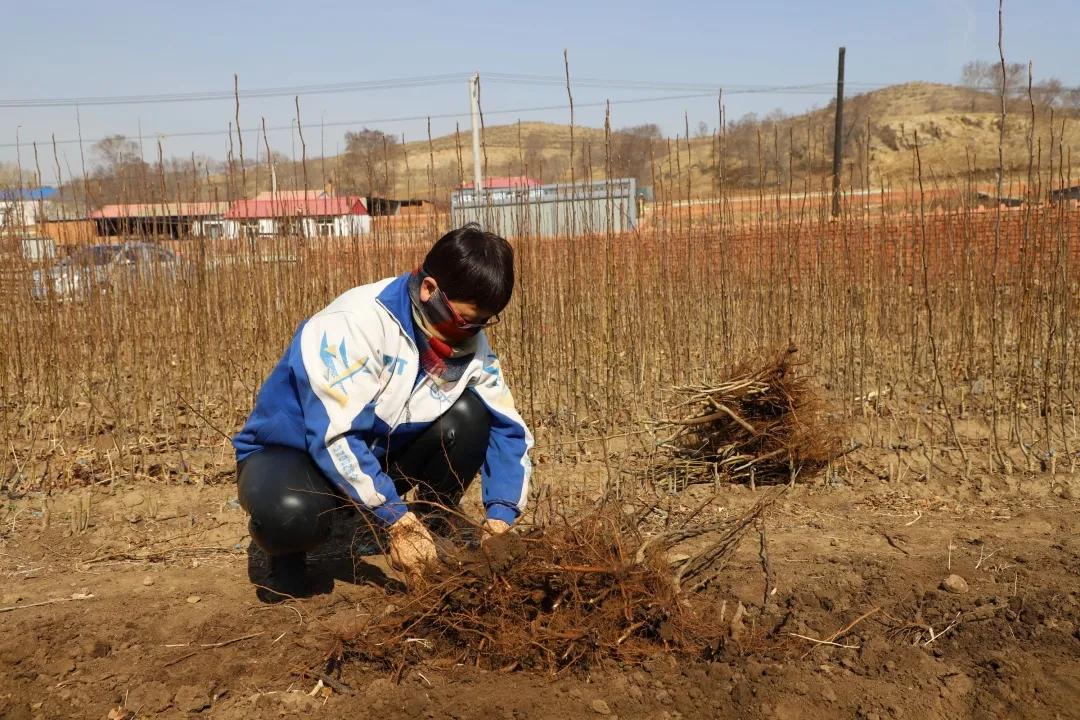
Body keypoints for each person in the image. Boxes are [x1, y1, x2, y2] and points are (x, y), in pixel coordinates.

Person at [232, 224, 533, 598]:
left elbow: (509, 428)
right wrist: (395, 520)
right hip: (292, 452)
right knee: (290, 514)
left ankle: (431, 525)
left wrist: (501, 519)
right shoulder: (351, 325)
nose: (474, 331)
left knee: (471, 416)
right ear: (429, 290)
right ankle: (291, 554)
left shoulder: (468, 340)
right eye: (466, 320)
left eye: (484, 322)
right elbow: (335, 437)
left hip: (376, 445)